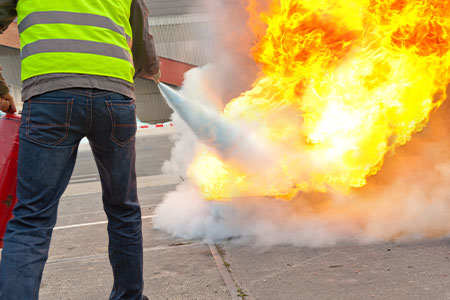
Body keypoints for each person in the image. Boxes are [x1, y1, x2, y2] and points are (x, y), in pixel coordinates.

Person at [0, 0, 160, 299]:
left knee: (32, 218)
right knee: (123, 208)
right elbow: (142, 38)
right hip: (114, 97)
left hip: (50, 96)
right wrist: (148, 68)